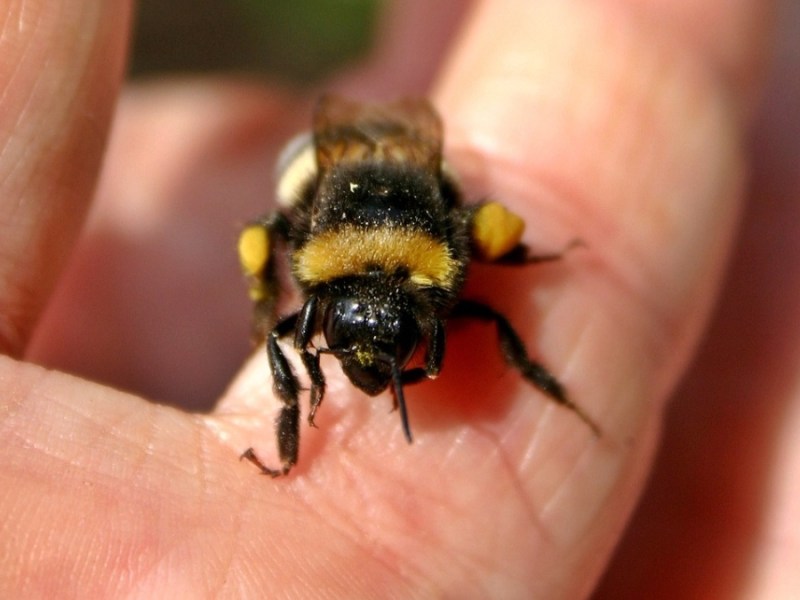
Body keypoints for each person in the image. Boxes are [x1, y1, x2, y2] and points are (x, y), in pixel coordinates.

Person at [1, 0, 796, 597]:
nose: (373, 368)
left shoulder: (427, 270)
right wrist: (269, 315)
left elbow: (455, 255)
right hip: (350, 197)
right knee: (275, 218)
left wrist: (515, 252)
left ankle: (526, 261)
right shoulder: (323, 280)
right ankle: (263, 317)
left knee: (473, 227)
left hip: (404, 199)